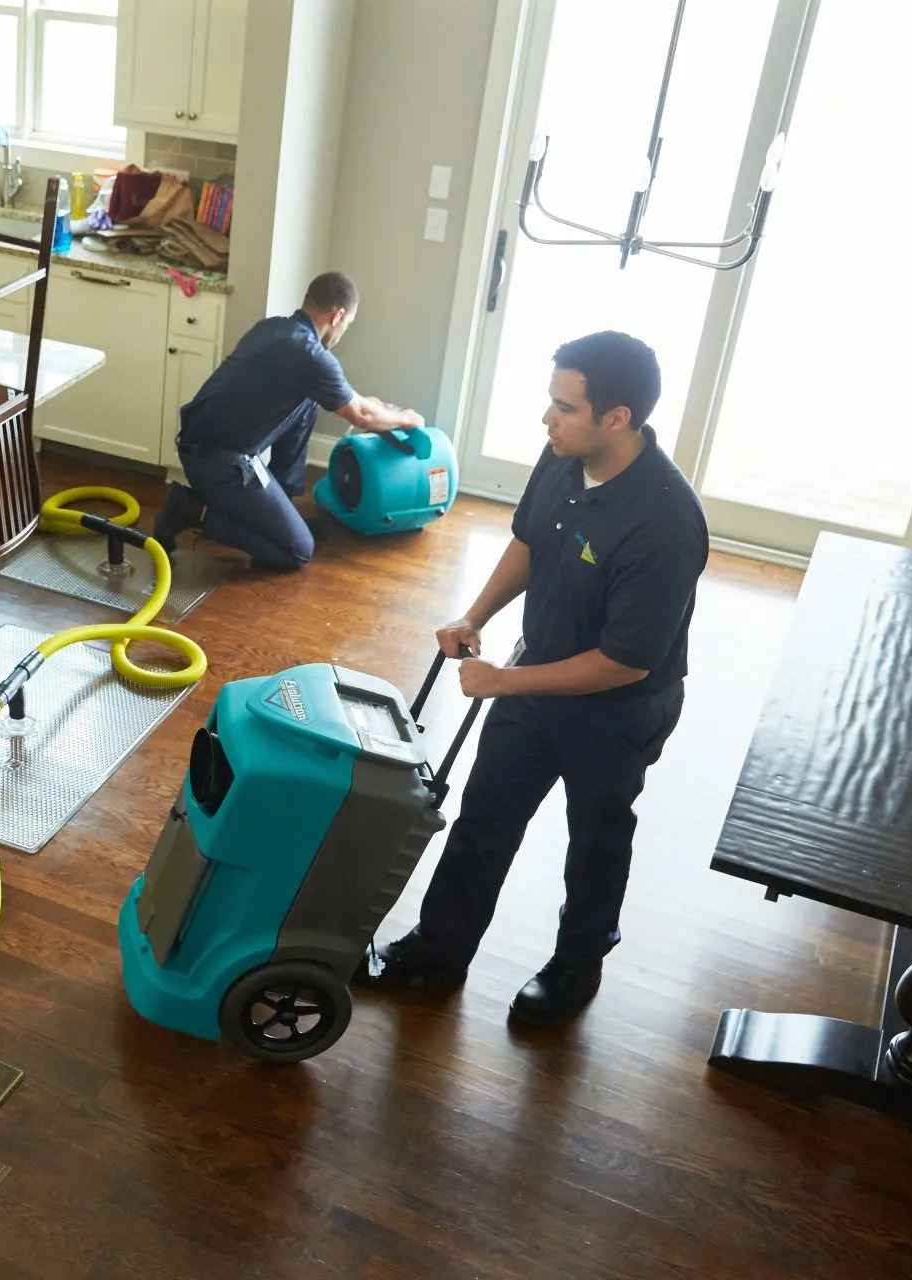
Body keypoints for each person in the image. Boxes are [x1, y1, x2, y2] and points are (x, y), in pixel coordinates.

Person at [358, 330, 708, 1026]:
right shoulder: (562, 457)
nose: (547, 419)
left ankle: (576, 968)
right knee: (484, 818)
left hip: (619, 711)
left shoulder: (665, 522)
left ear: (618, 419)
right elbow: (530, 539)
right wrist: (475, 613)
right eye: (550, 403)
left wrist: (505, 683)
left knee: (596, 842)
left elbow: (624, 662)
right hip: (532, 673)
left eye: (564, 407)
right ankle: (438, 950)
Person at [152, 272, 425, 569]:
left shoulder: (272, 329)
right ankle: (191, 510)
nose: (344, 330)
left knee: (310, 400)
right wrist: (405, 418)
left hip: (199, 442)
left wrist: (378, 408)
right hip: (220, 464)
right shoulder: (311, 356)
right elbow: (360, 415)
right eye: (347, 324)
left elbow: (354, 400)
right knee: (297, 551)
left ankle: (280, 505)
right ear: (338, 315)